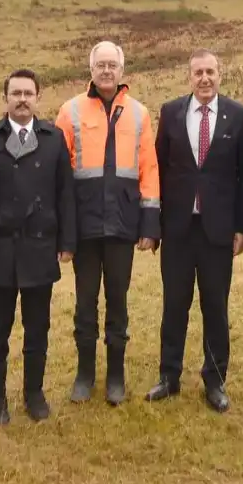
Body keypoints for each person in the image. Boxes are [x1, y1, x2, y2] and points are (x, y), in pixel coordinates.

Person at [55, 40, 160, 406]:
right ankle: (85, 375)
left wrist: (149, 225)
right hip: (83, 227)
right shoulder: (69, 112)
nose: (106, 70)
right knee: (85, 304)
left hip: (122, 226)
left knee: (118, 301)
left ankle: (116, 376)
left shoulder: (139, 114)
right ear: (90, 69)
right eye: (100, 64)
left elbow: (148, 168)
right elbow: (59, 173)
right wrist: (62, 230)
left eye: (112, 64)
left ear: (122, 70)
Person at [145, 49, 243, 413]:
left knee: (215, 307)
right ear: (188, 77)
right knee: (174, 304)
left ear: (220, 74)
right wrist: (154, 225)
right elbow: (157, 169)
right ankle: (168, 377)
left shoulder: (238, 116)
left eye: (210, 72)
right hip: (177, 228)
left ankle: (215, 380)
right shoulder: (171, 112)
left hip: (217, 230)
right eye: (197, 73)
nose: (204, 78)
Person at [0, 69, 76, 424]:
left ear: (37, 97)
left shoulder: (54, 139)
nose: (22, 99)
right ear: (6, 99)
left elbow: (65, 194)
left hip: (40, 248)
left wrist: (67, 242)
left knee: (38, 326)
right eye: (15, 93)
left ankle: (34, 394)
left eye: (28, 93)